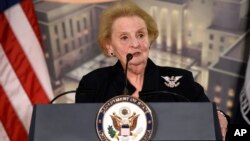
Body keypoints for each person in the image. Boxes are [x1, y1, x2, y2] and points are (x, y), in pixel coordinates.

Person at [75, 0, 228, 140]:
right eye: (124, 37)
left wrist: (220, 117)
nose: (135, 43)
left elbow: (211, 120)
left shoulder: (181, 79)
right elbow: (79, 132)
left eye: (140, 34)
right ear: (110, 46)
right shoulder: (93, 83)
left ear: (149, 39)